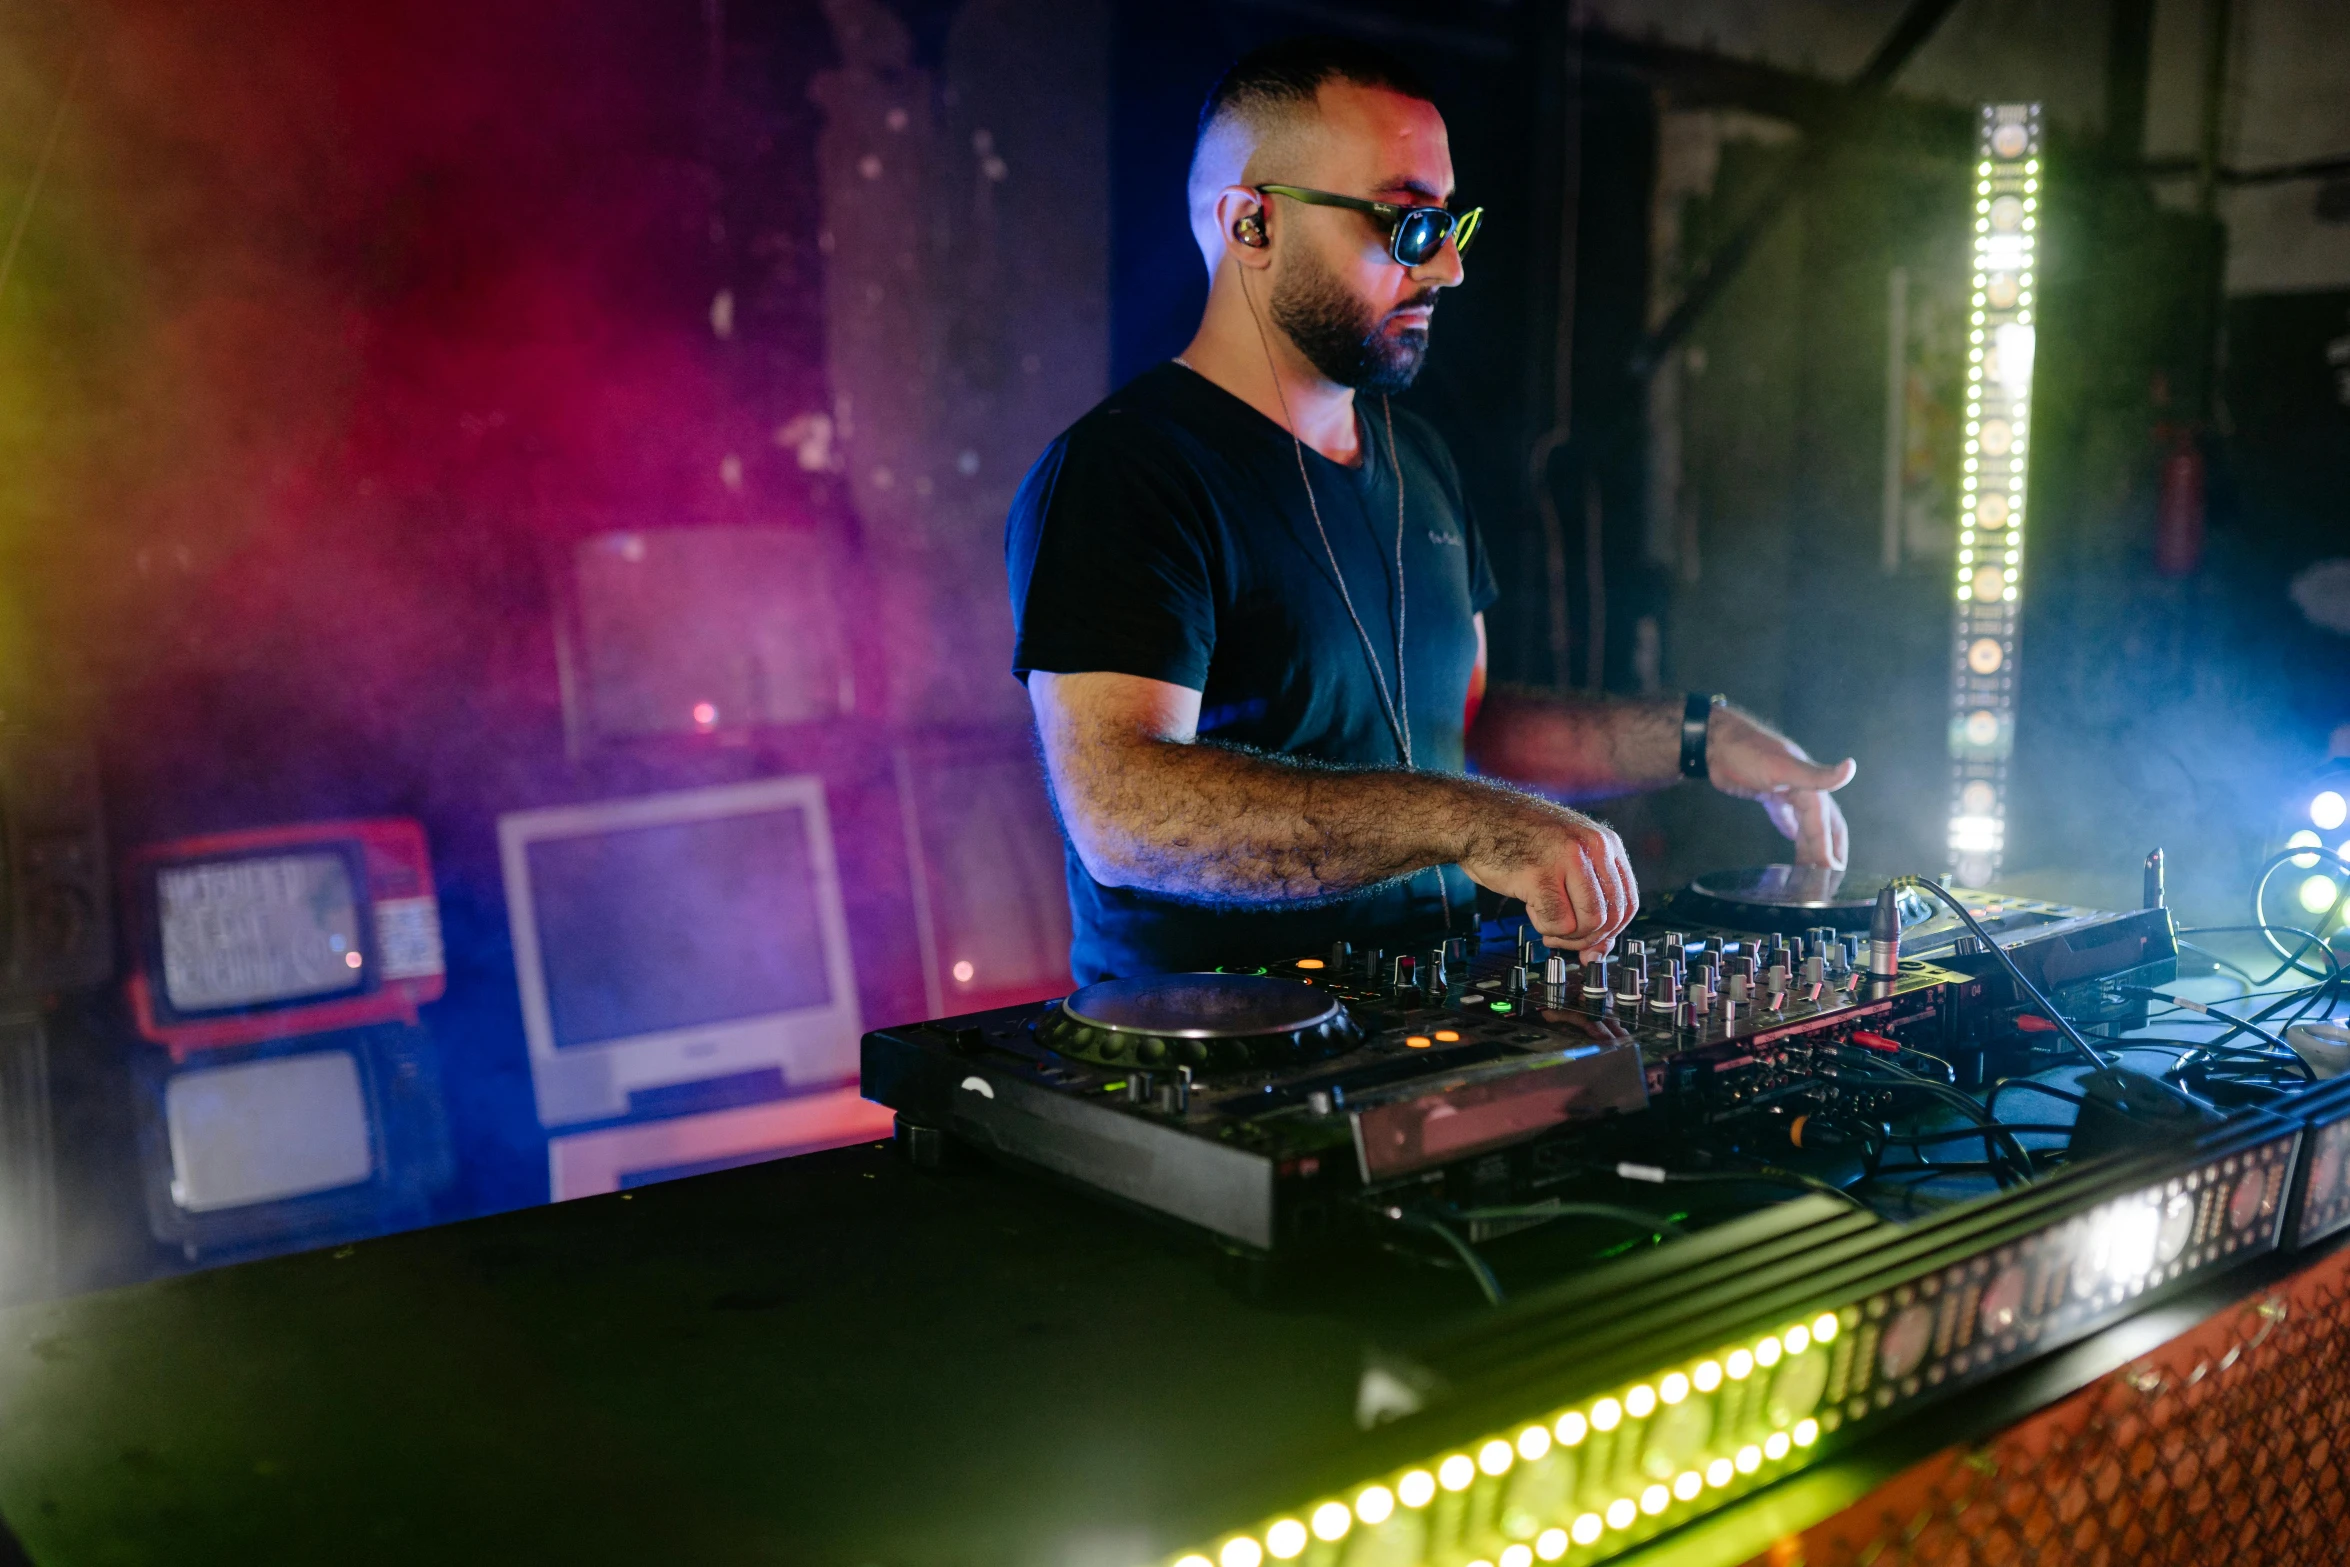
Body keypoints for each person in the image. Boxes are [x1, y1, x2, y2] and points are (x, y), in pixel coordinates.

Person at [1005, 36, 1854, 985]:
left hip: (1427, 1030)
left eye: (1453, 223)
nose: (1447, 268)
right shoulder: (1129, 471)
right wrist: (1473, 822)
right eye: (1408, 224)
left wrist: (1700, 736)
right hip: (1224, 1071)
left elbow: (1467, 731)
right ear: (1253, 226)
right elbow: (1124, 814)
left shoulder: (1420, 459)